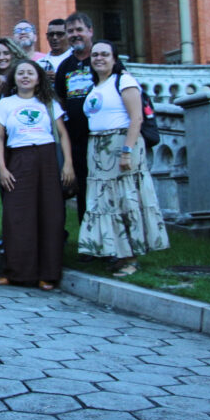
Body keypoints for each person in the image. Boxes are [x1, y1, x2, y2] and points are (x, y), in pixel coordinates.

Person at [78, 41, 169, 276]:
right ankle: (116, 252)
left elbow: (136, 118)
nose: (99, 58)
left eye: (104, 55)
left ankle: (131, 257)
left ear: (114, 59)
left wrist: (127, 151)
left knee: (125, 201)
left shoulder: (125, 81)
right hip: (98, 147)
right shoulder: (96, 85)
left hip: (121, 144)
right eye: (95, 55)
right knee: (105, 202)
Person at [0, 60, 74, 291]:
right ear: (14, 78)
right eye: (21, 73)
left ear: (38, 78)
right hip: (18, 158)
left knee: (50, 215)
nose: (25, 77)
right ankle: (16, 271)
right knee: (16, 215)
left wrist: (68, 164)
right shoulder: (5, 104)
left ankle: (47, 274)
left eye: (30, 73)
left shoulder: (49, 103)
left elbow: (63, 134)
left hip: (47, 159)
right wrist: (2, 168)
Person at [55, 11, 95, 227]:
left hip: (100, 136)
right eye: (70, 31)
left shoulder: (101, 58)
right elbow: (61, 100)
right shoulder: (66, 66)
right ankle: (88, 241)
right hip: (76, 138)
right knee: (83, 189)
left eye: (79, 30)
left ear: (90, 31)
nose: (75, 35)